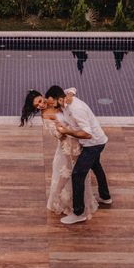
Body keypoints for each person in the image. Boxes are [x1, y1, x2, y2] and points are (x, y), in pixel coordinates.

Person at [20, 89, 98, 217]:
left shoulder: (53, 100)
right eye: (37, 105)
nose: (40, 105)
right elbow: (57, 135)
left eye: (40, 101)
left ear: (43, 96)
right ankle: (63, 202)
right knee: (67, 173)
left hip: (78, 140)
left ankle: (80, 201)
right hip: (67, 146)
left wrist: (70, 95)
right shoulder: (45, 115)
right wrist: (61, 128)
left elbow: (69, 90)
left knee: (81, 172)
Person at [44, 85, 112, 225]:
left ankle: (78, 213)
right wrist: (71, 92)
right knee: (96, 166)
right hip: (99, 140)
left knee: (77, 174)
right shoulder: (66, 99)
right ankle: (106, 197)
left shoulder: (76, 110)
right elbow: (72, 88)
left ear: (61, 99)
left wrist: (67, 131)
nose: (52, 106)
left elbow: (87, 134)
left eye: (53, 103)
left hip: (93, 144)